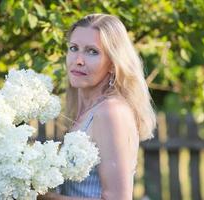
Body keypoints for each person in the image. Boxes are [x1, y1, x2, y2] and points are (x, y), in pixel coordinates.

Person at [38, 13, 156, 200]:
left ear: (112, 63)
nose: (78, 60)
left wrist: (41, 197)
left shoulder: (111, 112)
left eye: (92, 51)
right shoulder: (86, 111)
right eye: (74, 48)